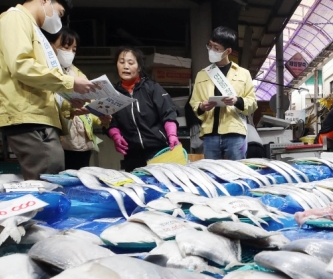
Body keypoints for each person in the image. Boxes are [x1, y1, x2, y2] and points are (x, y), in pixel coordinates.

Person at [0, 0, 96, 180]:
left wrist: (69, 108)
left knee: (51, 179)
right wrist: (71, 82)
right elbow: (22, 66)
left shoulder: (34, 30)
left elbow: (42, 86)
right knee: (47, 184)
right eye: (60, 13)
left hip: (39, 118)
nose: (58, 20)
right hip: (30, 119)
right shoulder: (14, 19)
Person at [47, 27, 112, 170]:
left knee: (80, 182)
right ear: (51, 46)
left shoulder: (78, 74)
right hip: (61, 141)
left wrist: (101, 118)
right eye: (65, 47)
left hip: (83, 143)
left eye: (74, 49)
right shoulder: (47, 74)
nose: (70, 52)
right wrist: (72, 110)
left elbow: (90, 107)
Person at [190, 27, 257, 160]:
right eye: (209, 45)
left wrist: (236, 101)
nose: (211, 50)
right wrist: (202, 106)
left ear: (228, 51)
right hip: (209, 135)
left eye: (216, 48)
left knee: (237, 172)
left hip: (235, 133)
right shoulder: (202, 74)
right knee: (212, 175)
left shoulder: (243, 73)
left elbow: (252, 103)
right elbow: (194, 102)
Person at [108, 47, 179, 171]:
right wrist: (115, 136)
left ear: (139, 67)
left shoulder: (152, 88)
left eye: (131, 63)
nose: (126, 66)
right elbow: (111, 121)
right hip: (132, 155)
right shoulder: (112, 94)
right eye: (121, 62)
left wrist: (172, 135)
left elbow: (168, 113)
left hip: (158, 151)